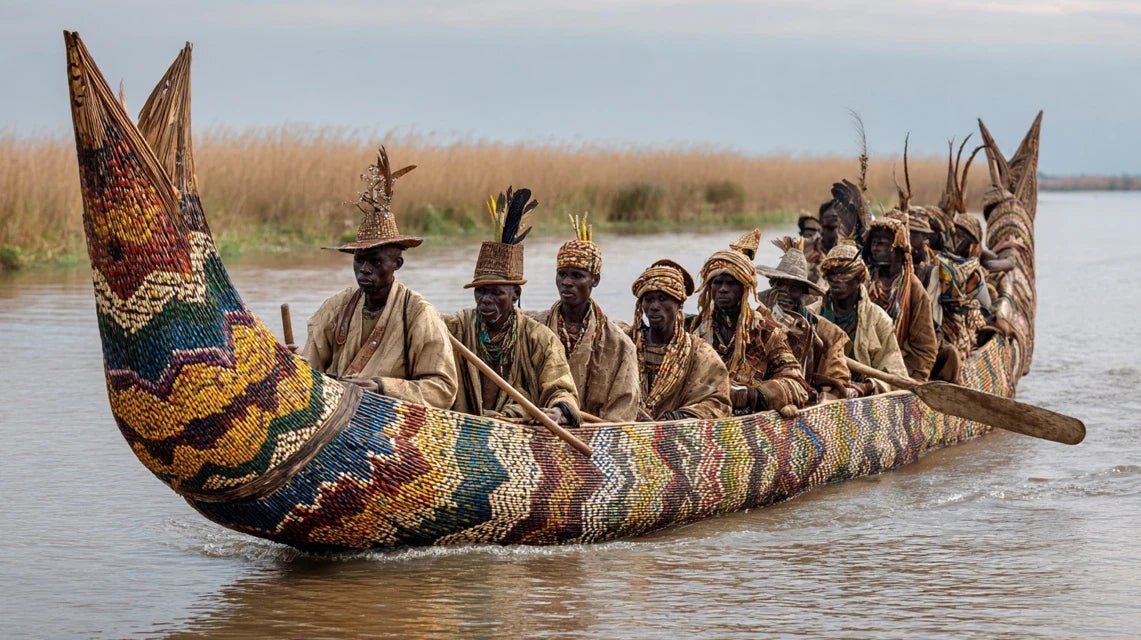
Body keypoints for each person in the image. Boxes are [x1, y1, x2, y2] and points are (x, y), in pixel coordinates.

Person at [301, 147, 458, 409]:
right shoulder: (337, 306)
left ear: (397, 264)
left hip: (394, 421)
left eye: (375, 261)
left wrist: (383, 387)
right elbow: (310, 365)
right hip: (340, 415)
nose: (364, 269)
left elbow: (442, 389)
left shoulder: (419, 314)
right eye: (359, 260)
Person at [446, 187, 581, 426]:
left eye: (496, 293)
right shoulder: (456, 328)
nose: (486, 299)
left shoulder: (539, 338)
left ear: (515, 294)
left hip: (516, 431)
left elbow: (560, 386)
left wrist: (560, 411)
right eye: (481, 291)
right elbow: (422, 328)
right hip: (465, 427)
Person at [532, 214, 640, 422]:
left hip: (594, 437)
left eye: (577, 275)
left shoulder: (619, 344)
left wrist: (574, 420)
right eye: (562, 274)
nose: (567, 282)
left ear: (595, 280)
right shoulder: (534, 329)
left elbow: (621, 414)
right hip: (539, 428)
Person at [690, 248, 810, 415]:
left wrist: (753, 394)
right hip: (700, 417)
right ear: (709, 287)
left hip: (748, 423)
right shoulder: (693, 331)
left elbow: (798, 386)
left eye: (731, 283)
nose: (723, 289)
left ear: (745, 288)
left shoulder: (766, 333)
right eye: (717, 282)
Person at [629, 260, 731, 421]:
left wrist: (677, 417)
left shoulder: (699, 353)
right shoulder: (625, 343)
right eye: (648, 299)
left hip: (678, 435)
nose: (654, 306)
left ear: (680, 304)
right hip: (625, 428)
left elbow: (718, 403)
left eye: (663, 299)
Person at [757, 240, 851, 402]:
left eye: (793, 289)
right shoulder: (755, 318)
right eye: (781, 286)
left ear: (802, 293)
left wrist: (826, 394)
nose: (784, 293)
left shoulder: (826, 331)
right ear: (773, 284)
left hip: (801, 395)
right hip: (761, 393)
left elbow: (837, 377)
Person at [809, 245, 909, 396]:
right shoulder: (812, 314)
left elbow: (895, 374)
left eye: (844, 275)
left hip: (863, 398)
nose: (836, 280)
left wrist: (867, 386)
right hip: (818, 393)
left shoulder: (878, 320)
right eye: (831, 274)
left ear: (859, 279)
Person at [862, 213, 938, 382]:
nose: (875, 248)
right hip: (862, 366)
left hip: (899, 371)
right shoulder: (863, 283)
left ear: (898, 248)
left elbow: (925, 349)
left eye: (882, 243)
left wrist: (911, 381)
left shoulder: (914, 290)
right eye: (873, 243)